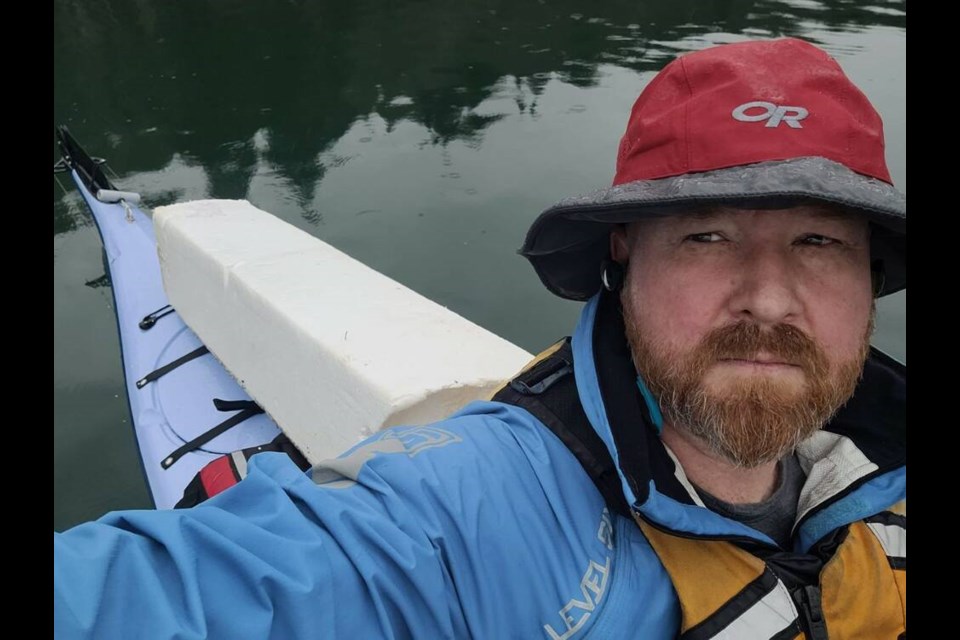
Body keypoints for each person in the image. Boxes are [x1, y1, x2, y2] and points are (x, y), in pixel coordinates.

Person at [54, 37, 905, 639]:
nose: (768, 298)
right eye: (708, 237)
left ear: (870, 277)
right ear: (623, 259)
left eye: (818, 242)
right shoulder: (467, 518)